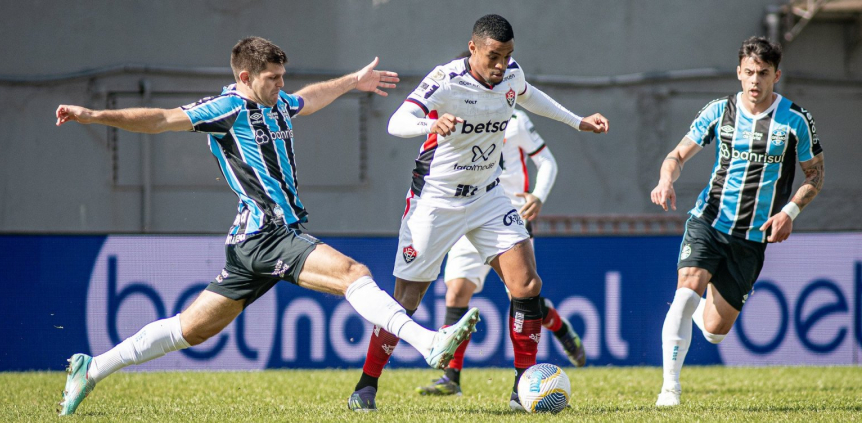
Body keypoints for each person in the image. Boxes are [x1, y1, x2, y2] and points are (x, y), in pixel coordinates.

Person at [53, 36, 480, 416]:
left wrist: (352, 80)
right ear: (245, 76)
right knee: (354, 274)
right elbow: (160, 119)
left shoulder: (278, 104)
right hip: (267, 234)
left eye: (282, 77)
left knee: (190, 330)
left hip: (251, 245)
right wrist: (92, 115)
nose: (280, 86)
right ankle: (429, 343)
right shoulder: (227, 108)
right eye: (272, 78)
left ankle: (92, 368)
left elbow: (309, 99)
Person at [347, 15, 608, 412]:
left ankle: (523, 385)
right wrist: (431, 123)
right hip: (436, 201)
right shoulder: (446, 79)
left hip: (488, 196)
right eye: (493, 56)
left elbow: (529, 94)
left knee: (526, 285)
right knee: (406, 300)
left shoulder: (511, 76)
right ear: (473, 48)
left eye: (507, 56)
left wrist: (577, 121)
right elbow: (396, 123)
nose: (501, 65)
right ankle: (366, 386)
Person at [650, 36, 824, 407]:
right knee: (684, 294)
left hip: (751, 237)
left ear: (776, 75)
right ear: (738, 73)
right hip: (709, 219)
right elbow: (677, 155)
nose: (755, 81)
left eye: (763, 73)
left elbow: (815, 176)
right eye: (748, 73)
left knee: (714, 331)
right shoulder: (719, 112)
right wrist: (666, 179)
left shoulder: (795, 120)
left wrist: (789, 212)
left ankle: (700, 305)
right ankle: (669, 390)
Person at [415, 107, 586, 397]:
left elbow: (547, 161)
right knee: (456, 292)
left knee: (521, 296)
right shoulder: (458, 122)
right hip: (469, 214)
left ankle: (556, 326)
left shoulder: (515, 120)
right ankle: (451, 378)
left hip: (509, 218)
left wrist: (538, 196)